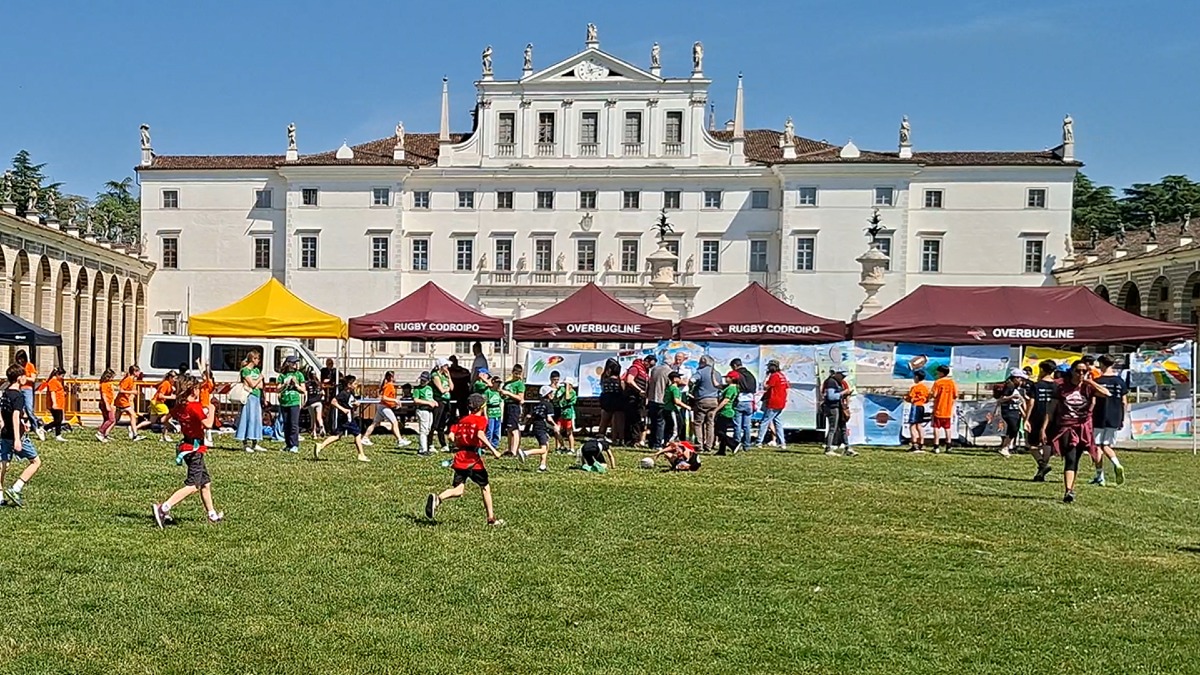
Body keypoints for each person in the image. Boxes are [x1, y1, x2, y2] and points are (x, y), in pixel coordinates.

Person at [424, 393, 505, 526]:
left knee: (459, 490)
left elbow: (450, 436)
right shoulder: (481, 420)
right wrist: (494, 450)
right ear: (482, 407)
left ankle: (438, 499)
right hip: (472, 459)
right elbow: (479, 434)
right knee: (485, 487)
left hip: (459, 458)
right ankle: (491, 519)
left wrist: (457, 442)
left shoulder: (462, 420)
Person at [152, 377, 223, 527]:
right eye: (198, 388)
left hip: (187, 446)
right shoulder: (194, 406)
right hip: (195, 450)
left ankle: (212, 515)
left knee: (206, 483)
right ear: (194, 390)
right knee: (193, 485)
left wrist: (173, 426)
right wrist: (212, 410)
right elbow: (208, 424)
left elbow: (165, 418)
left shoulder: (181, 406)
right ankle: (164, 508)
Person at [1045, 360, 1111, 503]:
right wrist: (1045, 427)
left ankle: (1071, 488)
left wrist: (1090, 382)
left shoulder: (1088, 387)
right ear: (1072, 371)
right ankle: (1068, 490)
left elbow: (1107, 394)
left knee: (1077, 459)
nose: (1081, 374)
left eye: (1084, 371)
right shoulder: (1061, 386)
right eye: (1078, 371)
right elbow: (1051, 408)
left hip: (1083, 428)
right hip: (1067, 427)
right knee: (1070, 457)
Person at [1, 363, 43, 507]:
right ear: (20, 378)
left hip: (4, 434)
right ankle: (16, 488)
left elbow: (3, 413)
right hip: (16, 435)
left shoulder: (5, 393)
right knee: (36, 462)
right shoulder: (18, 396)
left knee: (3, 464)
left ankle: (0, 495)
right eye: (25, 376)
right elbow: (15, 415)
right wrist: (18, 439)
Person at [1090, 354, 1128, 486]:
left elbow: (1093, 402)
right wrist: (1122, 417)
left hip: (1099, 416)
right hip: (1115, 416)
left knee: (1097, 446)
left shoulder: (1098, 381)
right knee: (1106, 445)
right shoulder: (1120, 381)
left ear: (1102, 364)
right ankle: (1116, 464)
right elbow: (1124, 402)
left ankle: (1100, 476)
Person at [314, 375, 370, 462]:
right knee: (358, 434)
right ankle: (361, 454)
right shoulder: (343, 393)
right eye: (354, 384)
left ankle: (320, 446)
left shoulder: (350, 393)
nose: (356, 385)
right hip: (347, 418)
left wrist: (355, 404)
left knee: (337, 436)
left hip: (346, 418)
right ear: (349, 385)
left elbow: (350, 403)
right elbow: (333, 401)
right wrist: (343, 409)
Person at [1024, 359, 1058, 482]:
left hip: (1037, 416)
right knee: (1047, 443)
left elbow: (1031, 403)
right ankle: (1041, 472)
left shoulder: (1036, 385)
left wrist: (1026, 419)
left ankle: (1042, 464)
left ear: (1043, 370)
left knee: (1031, 445)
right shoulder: (1057, 386)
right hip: (1052, 417)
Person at [362, 371, 407, 449]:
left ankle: (365, 438)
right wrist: (395, 400)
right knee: (394, 422)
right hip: (384, 407)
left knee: (374, 423)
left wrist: (393, 404)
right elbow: (384, 397)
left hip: (383, 406)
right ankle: (400, 440)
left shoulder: (389, 385)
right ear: (391, 377)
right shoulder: (389, 385)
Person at [517, 385, 556, 472]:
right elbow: (549, 418)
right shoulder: (549, 405)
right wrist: (555, 425)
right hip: (542, 427)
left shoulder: (537, 405)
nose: (553, 394)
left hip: (536, 427)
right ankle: (525, 453)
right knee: (543, 449)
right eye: (551, 393)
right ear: (547, 394)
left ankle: (543, 466)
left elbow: (530, 416)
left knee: (546, 445)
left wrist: (524, 423)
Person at [235, 351, 266, 452]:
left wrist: (256, 382)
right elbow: (252, 384)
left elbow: (260, 386)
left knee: (256, 420)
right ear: (253, 359)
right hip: (248, 397)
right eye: (257, 358)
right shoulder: (245, 370)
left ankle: (255, 442)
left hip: (256, 396)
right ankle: (245, 443)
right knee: (247, 419)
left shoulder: (256, 370)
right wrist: (259, 378)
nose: (259, 361)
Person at [822, 368, 856, 456]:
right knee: (832, 428)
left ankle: (847, 448)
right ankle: (828, 449)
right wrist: (843, 393)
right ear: (837, 374)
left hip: (839, 407)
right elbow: (831, 396)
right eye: (842, 375)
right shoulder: (831, 382)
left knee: (843, 428)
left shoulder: (838, 382)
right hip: (832, 408)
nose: (843, 378)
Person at [692, 355, 722, 454]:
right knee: (710, 424)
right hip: (714, 401)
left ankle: (699, 445)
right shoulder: (717, 374)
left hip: (702, 400)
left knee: (698, 423)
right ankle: (709, 445)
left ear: (703, 362)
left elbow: (692, 380)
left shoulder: (700, 372)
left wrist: (692, 389)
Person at [12, 350, 44, 441]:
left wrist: (25, 378)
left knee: (29, 410)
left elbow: (33, 379)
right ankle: (21, 430)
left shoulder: (30, 366)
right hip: (18, 389)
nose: (20, 361)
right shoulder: (17, 367)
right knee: (19, 411)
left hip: (27, 389)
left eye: (21, 359)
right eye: (18, 359)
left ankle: (37, 427)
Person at [996, 368, 1028, 458]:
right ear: (1015, 378)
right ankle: (1005, 447)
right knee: (1013, 428)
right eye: (1020, 378)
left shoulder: (1015, 387)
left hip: (1014, 410)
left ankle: (1005, 447)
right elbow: (1001, 399)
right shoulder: (1009, 386)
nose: (1021, 381)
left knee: (1014, 429)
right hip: (1008, 411)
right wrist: (1012, 396)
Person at [138, 370, 177, 443]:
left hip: (154, 402)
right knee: (167, 416)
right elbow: (160, 395)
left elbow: (157, 386)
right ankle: (165, 435)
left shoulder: (167, 384)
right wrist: (171, 397)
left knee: (151, 421)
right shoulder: (166, 384)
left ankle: (134, 429)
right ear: (170, 378)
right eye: (174, 378)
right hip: (158, 402)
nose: (175, 380)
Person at [277, 356, 305, 454]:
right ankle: (288, 444)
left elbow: (303, 390)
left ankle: (294, 445)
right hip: (285, 402)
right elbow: (278, 389)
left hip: (294, 402)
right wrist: (285, 384)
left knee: (294, 424)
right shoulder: (282, 375)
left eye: (296, 363)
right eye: (293, 363)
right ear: (288, 363)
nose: (295, 365)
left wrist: (296, 385)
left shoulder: (299, 375)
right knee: (286, 424)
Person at [757, 360, 788, 449]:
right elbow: (786, 388)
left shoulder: (774, 376)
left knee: (765, 422)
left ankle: (759, 441)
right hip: (781, 402)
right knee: (777, 422)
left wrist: (766, 377)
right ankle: (782, 443)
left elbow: (766, 387)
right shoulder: (782, 376)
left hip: (773, 402)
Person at [728, 358, 757, 452]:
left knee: (737, 425)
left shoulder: (737, 375)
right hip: (749, 402)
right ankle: (747, 445)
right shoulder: (751, 375)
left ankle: (736, 444)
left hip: (740, 401)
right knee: (747, 426)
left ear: (735, 366)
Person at [623, 355, 651, 447]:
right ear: (646, 361)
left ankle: (637, 440)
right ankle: (631, 440)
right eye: (650, 364)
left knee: (638, 420)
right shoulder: (635, 368)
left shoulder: (645, 371)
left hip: (640, 399)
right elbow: (629, 380)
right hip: (632, 398)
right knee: (633, 420)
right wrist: (639, 390)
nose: (650, 367)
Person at [929, 365, 958, 454]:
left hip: (939, 409)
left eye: (938, 372)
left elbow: (934, 395)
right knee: (947, 428)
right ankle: (948, 446)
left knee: (936, 428)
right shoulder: (952, 383)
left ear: (941, 373)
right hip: (948, 410)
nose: (937, 373)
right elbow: (955, 395)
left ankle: (936, 446)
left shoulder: (938, 382)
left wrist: (930, 394)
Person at [409, 371, 439, 456]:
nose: (422, 382)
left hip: (429, 411)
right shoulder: (417, 389)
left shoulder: (429, 388)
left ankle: (424, 447)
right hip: (422, 410)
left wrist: (433, 402)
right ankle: (423, 449)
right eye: (422, 380)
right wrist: (428, 403)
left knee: (428, 429)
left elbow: (430, 398)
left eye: (424, 380)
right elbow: (416, 400)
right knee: (423, 430)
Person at [646, 354, 672, 450]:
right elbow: (670, 385)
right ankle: (658, 443)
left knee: (653, 422)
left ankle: (651, 443)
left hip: (652, 398)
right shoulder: (669, 372)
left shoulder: (654, 370)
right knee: (661, 422)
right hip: (662, 399)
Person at [499, 364, 525, 457]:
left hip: (514, 406)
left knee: (514, 429)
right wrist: (502, 393)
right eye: (516, 373)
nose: (517, 375)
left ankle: (514, 450)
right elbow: (503, 395)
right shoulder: (507, 383)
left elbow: (520, 398)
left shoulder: (520, 384)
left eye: (519, 374)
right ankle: (509, 449)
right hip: (507, 405)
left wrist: (508, 393)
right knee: (509, 428)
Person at [597, 358, 625, 445]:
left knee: (604, 420)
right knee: (617, 421)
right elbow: (623, 390)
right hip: (618, 401)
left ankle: (601, 435)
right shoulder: (620, 380)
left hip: (607, 400)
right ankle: (618, 438)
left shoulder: (604, 378)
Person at [115, 365, 145, 442]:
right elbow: (121, 390)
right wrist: (132, 392)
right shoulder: (128, 379)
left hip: (124, 401)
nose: (139, 373)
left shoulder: (132, 380)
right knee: (133, 415)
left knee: (115, 419)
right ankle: (135, 434)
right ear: (134, 372)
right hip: (122, 401)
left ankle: (104, 432)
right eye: (138, 371)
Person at [714, 372, 741, 455]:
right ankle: (722, 450)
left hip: (726, 411)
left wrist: (716, 409)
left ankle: (733, 443)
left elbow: (726, 400)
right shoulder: (732, 387)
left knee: (718, 431)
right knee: (722, 431)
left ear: (732, 378)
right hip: (727, 411)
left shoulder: (731, 388)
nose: (725, 379)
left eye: (727, 377)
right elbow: (717, 385)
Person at [37, 367, 68, 442]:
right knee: (58, 420)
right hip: (55, 404)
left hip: (59, 403)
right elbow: (52, 393)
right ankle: (44, 428)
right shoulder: (53, 381)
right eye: (62, 376)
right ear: (57, 374)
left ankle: (58, 435)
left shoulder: (57, 381)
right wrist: (54, 403)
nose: (62, 377)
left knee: (59, 420)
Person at [431, 358, 454, 451]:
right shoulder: (435, 375)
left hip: (446, 401)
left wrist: (449, 377)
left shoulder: (445, 376)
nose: (447, 367)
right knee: (435, 424)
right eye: (446, 366)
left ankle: (443, 444)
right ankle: (430, 444)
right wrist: (447, 389)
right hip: (439, 401)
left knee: (442, 424)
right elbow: (441, 389)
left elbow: (452, 387)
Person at [904, 371, 930, 453]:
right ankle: (921, 442)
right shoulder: (925, 388)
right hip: (922, 406)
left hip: (915, 406)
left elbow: (910, 397)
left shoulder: (915, 387)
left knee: (912, 425)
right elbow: (927, 399)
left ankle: (914, 443)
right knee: (919, 425)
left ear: (916, 377)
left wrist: (905, 398)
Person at [662, 371, 690, 444]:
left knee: (668, 428)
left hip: (666, 409)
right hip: (672, 410)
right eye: (679, 377)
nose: (681, 379)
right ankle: (669, 443)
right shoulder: (675, 389)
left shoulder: (668, 388)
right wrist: (687, 406)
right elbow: (676, 401)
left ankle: (666, 441)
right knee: (676, 429)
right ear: (674, 379)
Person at [555, 376, 578, 454]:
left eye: (566, 385)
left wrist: (567, 388)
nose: (564, 387)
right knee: (557, 430)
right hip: (562, 414)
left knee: (569, 433)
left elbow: (567, 398)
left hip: (569, 415)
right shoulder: (562, 390)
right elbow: (557, 397)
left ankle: (571, 448)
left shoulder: (573, 393)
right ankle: (559, 447)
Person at [302, 365, 326, 439]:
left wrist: (304, 403)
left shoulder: (307, 384)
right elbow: (323, 393)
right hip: (318, 402)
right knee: (319, 417)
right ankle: (322, 426)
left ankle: (314, 433)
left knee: (313, 418)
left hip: (311, 402)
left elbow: (306, 394)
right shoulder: (319, 384)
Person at [197, 361, 216, 447]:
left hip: (206, 406)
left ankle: (208, 438)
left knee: (205, 423)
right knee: (203, 423)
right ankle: (207, 438)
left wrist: (208, 366)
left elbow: (207, 376)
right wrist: (199, 364)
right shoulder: (202, 384)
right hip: (201, 406)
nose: (202, 377)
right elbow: (203, 374)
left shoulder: (209, 384)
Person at [96, 368, 118, 443]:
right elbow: (104, 395)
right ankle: (100, 432)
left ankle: (104, 434)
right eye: (112, 377)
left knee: (106, 419)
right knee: (111, 419)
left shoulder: (108, 384)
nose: (113, 379)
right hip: (106, 404)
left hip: (109, 403)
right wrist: (107, 405)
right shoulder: (104, 385)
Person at [448, 355, 472, 421]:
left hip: (463, 394)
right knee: (451, 413)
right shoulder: (448, 371)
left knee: (463, 413)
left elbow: (469, 381)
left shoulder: (464, 371)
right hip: (453, 394)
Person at [319, 358, 339, 428]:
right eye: (329, 363)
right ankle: (325, 425)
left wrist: (329, 381)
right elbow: (323, 381)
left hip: (332, 393)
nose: (330, 365)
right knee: (325, 410)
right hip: (326, 393)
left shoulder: (335, 371)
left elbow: (337, 379)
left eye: (331, 364)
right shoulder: (323, 371)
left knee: (331, 410)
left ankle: (331, 425)